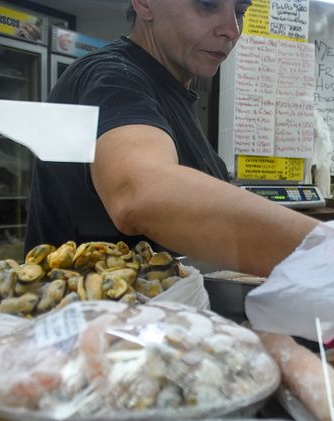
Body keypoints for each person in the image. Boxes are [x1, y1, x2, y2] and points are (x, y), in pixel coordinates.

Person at [25, 0, 317, 277]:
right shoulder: (112, 77)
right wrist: (325, 250)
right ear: (145, 3)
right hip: (93, 312)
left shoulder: (170, 93)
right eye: (207, 4)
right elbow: (139, 195)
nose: (231, 29)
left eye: (239, 10)